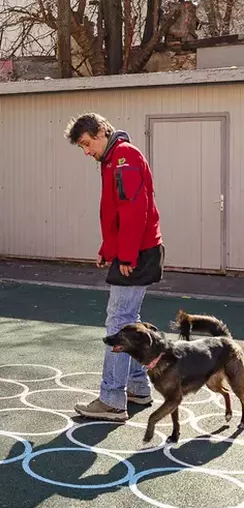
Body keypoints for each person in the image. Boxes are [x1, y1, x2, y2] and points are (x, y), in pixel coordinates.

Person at [65, 112, 164, 422]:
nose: (86, 152)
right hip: (133, 250)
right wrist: (109, 249)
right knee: (128, 320)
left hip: (139, 252)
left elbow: (136, 210)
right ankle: (138, 387)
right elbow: (115, 210)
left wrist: (127, 255)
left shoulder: (124, 157)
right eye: (81, 147)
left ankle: (111, 399)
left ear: (102, 132)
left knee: (118, 323)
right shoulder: (112, 159)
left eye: (86, 143)